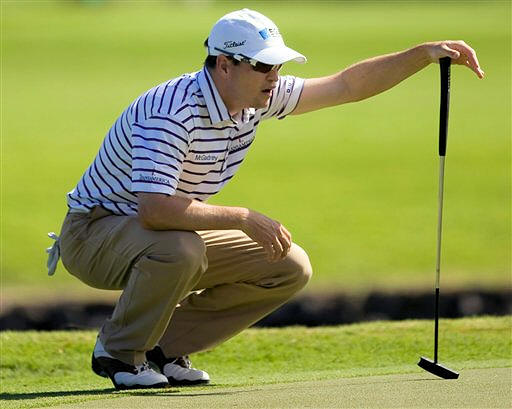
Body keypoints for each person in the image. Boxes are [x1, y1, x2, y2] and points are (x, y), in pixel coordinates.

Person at [45, 8, 484, 390]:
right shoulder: (171, 112)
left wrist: (422, 55)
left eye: (277, 66)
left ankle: (163, 347)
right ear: (224, 65)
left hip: (156, 233)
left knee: (288, 265)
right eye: (263, 66)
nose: (274, 76)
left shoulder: (255, 98)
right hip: (92, 235)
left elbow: (346, 85)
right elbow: (155, 209)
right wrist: (242, 217)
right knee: (181, 249)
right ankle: (119, 352)